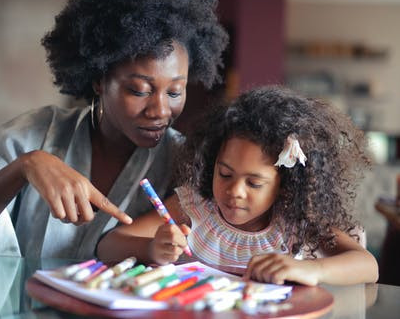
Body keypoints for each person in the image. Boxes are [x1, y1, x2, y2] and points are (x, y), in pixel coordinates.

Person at [0, 0, 228, 258]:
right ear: (98, 80)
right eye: (139, 90)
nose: (160, 110)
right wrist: (24, 167)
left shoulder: (186, 163)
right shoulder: (36, 134)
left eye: (175, 91)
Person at [97, 86, 379, 285]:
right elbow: (108, 246)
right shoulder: (196, 207)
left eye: (254, 183)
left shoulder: (297, 221)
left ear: (284, 185)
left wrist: (312, 270)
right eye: (225, 174)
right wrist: (152, 250)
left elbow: (368, 266)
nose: (235, 191)